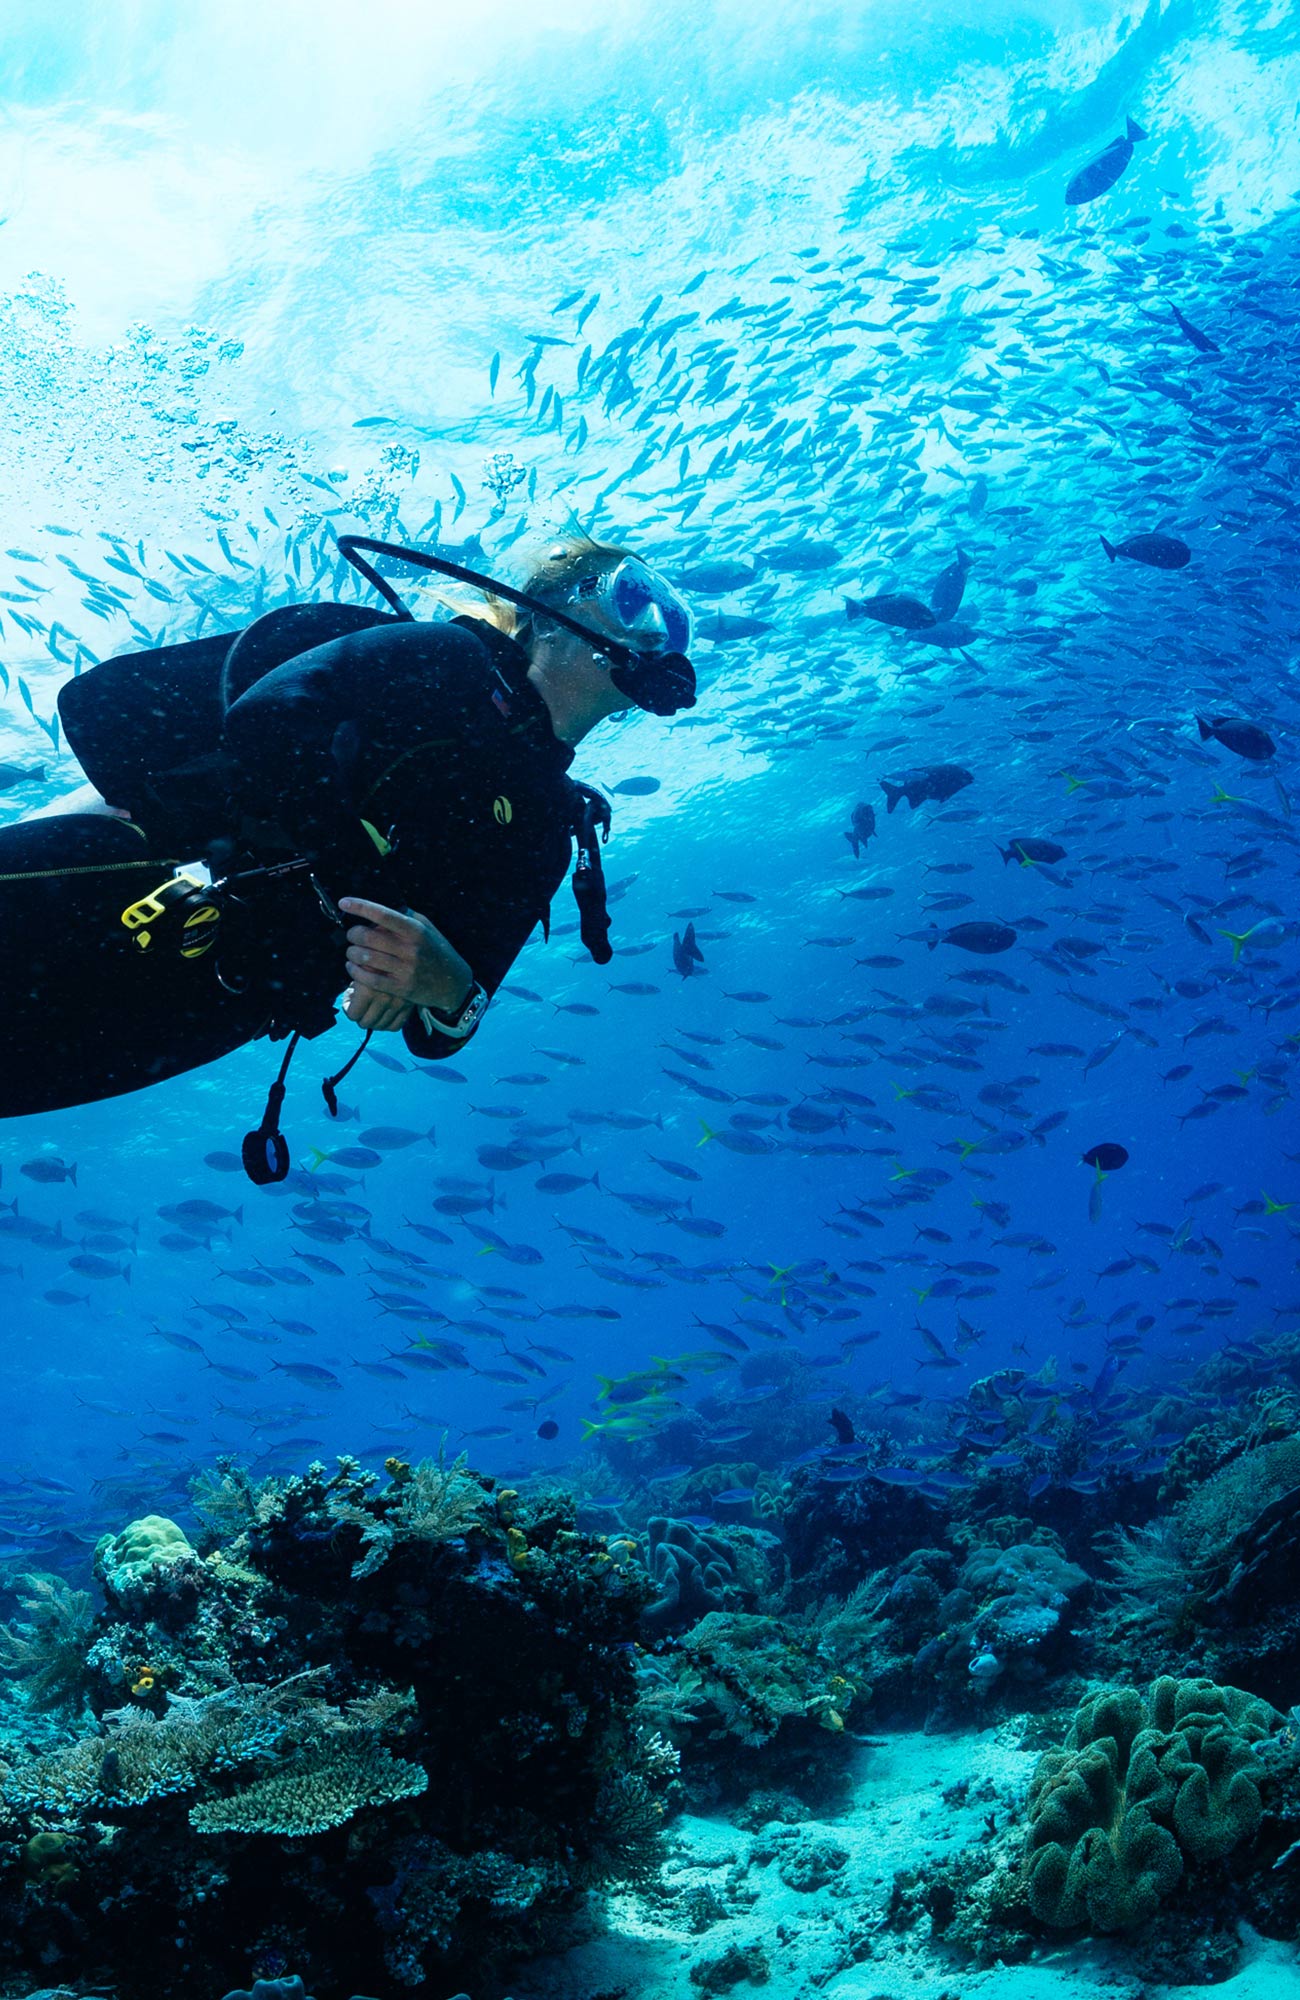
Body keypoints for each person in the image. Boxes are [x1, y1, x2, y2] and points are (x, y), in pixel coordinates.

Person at [0, 533, 695, 1176]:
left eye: (674, 625)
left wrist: (444, 988)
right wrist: (373, 909)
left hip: (214, 1008)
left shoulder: (546, 829)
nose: (652, 631)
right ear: (547, 613)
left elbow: (443, 1029)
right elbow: (268, 718)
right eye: (631, 597)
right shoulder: (442, 658)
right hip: (128, 880)